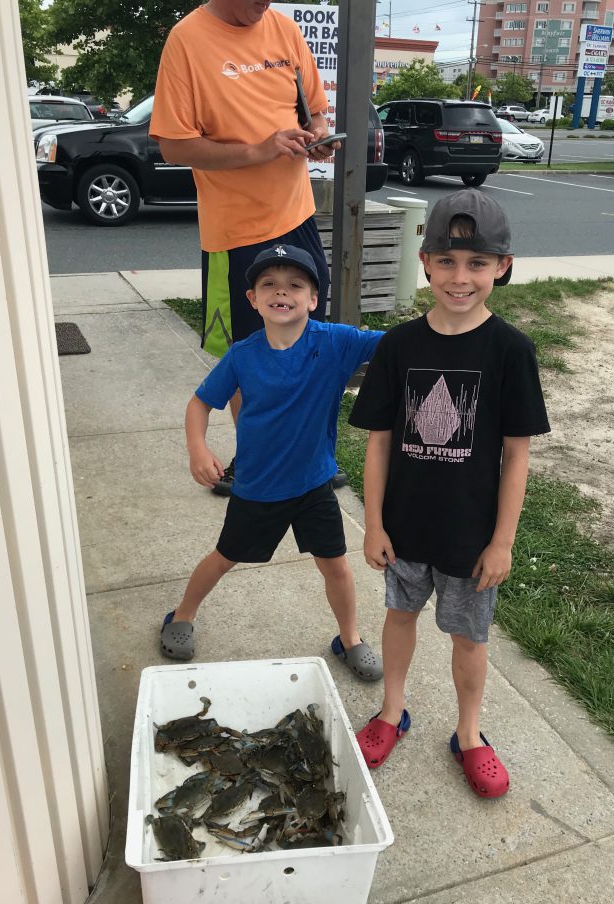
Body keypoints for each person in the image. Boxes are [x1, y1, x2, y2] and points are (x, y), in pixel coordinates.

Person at [348, 191, 550, 798]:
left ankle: (468, 734)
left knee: (470, 638)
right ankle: (391, 711)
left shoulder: (511, 350)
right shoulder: (398, 346)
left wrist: (503, 542)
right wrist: (374, 523)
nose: (461, 278)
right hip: (405, 527)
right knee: (398, 616)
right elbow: (379, 443)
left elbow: (517, 454)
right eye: (448, 262)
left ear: (503, 267)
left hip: (470, 536)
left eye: (478, 264)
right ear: (426, 261)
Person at [159, 244, 384, 683]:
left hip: (314, 484)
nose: (282, 293)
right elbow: (199, 404)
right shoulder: (243, 355)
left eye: (295, 285)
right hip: (258, 488)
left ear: (313, 299)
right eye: (269, 285)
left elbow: (397, 344)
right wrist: (197, 448)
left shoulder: (337, 342)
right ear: (253, 299)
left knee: (336, 565)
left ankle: (350, 638)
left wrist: (448, 324)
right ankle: (181, 615)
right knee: (224, 558)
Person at [150, 0, 345, 496]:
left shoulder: (282, 27)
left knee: (308, 339)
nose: (265, 4)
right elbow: (174, 145)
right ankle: (258, 459)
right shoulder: (188, 41)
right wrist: (259, 150)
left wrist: (320, 136)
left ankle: (312, 458)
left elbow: (315, 110)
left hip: (296, 216)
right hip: (234, 232)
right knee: (250, 355)